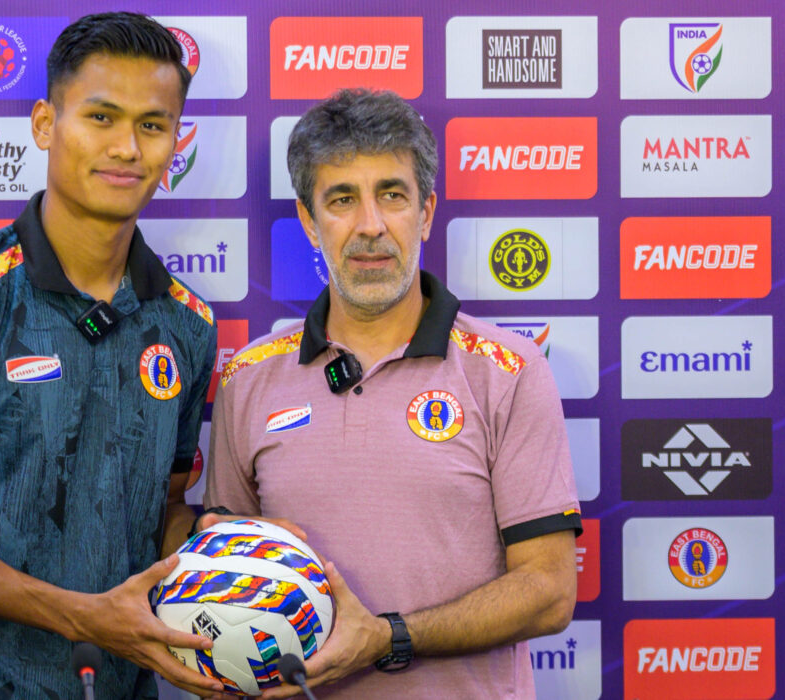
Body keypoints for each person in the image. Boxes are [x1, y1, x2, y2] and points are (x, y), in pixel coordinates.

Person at [0, 13, 231, 699]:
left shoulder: (188, 324)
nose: (126, 147)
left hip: (122, 687)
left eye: (152, 126)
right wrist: (81, 616)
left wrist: (222, 544)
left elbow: (162, 508)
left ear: (174, 144)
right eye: (101, 117)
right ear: (44, 125)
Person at [202, 88, 582, 699]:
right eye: (342, 199)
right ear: (308, 220)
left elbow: (548, 592)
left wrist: (389, 637)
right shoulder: (247, 379)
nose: (370, 226)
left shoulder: (509, 370)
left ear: (426, 212)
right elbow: (220, 577)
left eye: (392, 196)